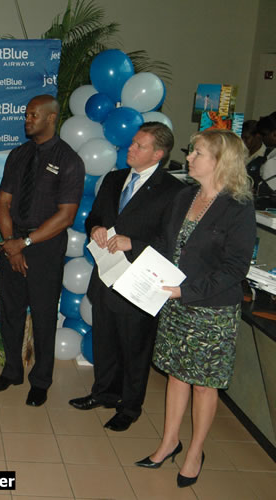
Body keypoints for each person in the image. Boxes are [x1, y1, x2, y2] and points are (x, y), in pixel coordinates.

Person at [137, 129, 255, 488]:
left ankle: (195, 452)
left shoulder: (238, 207)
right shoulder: (184, 196)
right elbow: (165, 242)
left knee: (204, 385)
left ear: (220, 162)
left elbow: (235, 269)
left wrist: (184, 291)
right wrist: (142, 267)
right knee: (175, 375)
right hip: (175, 303)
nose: (188, 157)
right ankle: (169, 442)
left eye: (197, 152)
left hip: (211, 309)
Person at [69, 122, 183, 431]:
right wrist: (94, 227)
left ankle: (130, 408)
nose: (130, 149)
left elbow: (173, 242)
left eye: (139, 146)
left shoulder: (174, 191)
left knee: (135, 348)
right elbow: (95, 215)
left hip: (140, 281)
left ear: (158, 153)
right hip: (106, 275)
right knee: (105, 340)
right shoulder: (115, 179)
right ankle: (104, 393)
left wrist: (134, 244)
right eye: (132, 143)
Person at [0, 95, 84, 407]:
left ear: (51, 118)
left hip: (44, 248)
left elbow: (66, 215)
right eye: (26, 114)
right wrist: (12, 243)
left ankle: (40, 381)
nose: (27, 120)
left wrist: (25, 244)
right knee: (9, 312)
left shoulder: (69, 160)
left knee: (42, 316)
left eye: (33, 115)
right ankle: (12, 370)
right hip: (13, 243)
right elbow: (4, 202)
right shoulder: (19, 154)